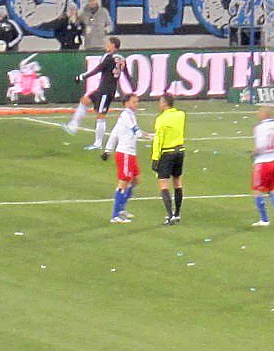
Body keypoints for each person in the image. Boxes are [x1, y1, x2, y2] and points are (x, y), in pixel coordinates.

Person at [65, 36, 132, 151]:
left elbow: (98, 69)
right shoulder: (121, 58)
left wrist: (82, 76)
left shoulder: (109, 57)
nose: (106, 44)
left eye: (108, 43)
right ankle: (73, 125)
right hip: (103, 88)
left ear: (113, 45)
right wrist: (133, 88)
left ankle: (98, 143)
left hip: (106, 90)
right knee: (85, 101)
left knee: (100, 115)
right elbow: (126, 74)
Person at [102, 93, 142, 224]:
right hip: (124, 153)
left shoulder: (127, 116)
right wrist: (150, 135)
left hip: (130, 153)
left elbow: (114, 133)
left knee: (136, 180)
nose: (137, 104)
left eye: (137, 102)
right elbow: (136, 131)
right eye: (134, 102)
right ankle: (115, 215)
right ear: (127, 103)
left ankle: (121, 209)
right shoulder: (127, 115)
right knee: (123, 182)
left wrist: (108, 150)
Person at [151, 92, 187, 225]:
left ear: (165, 103)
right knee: (177, 182)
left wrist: (155, 158)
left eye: (160, 102)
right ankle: (177, 214)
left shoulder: (161, 119)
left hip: (167, 152)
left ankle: (170, 215)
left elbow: (158, 139)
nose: (159, 104)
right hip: (180, 151)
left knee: (163, 184)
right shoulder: (181, 115)